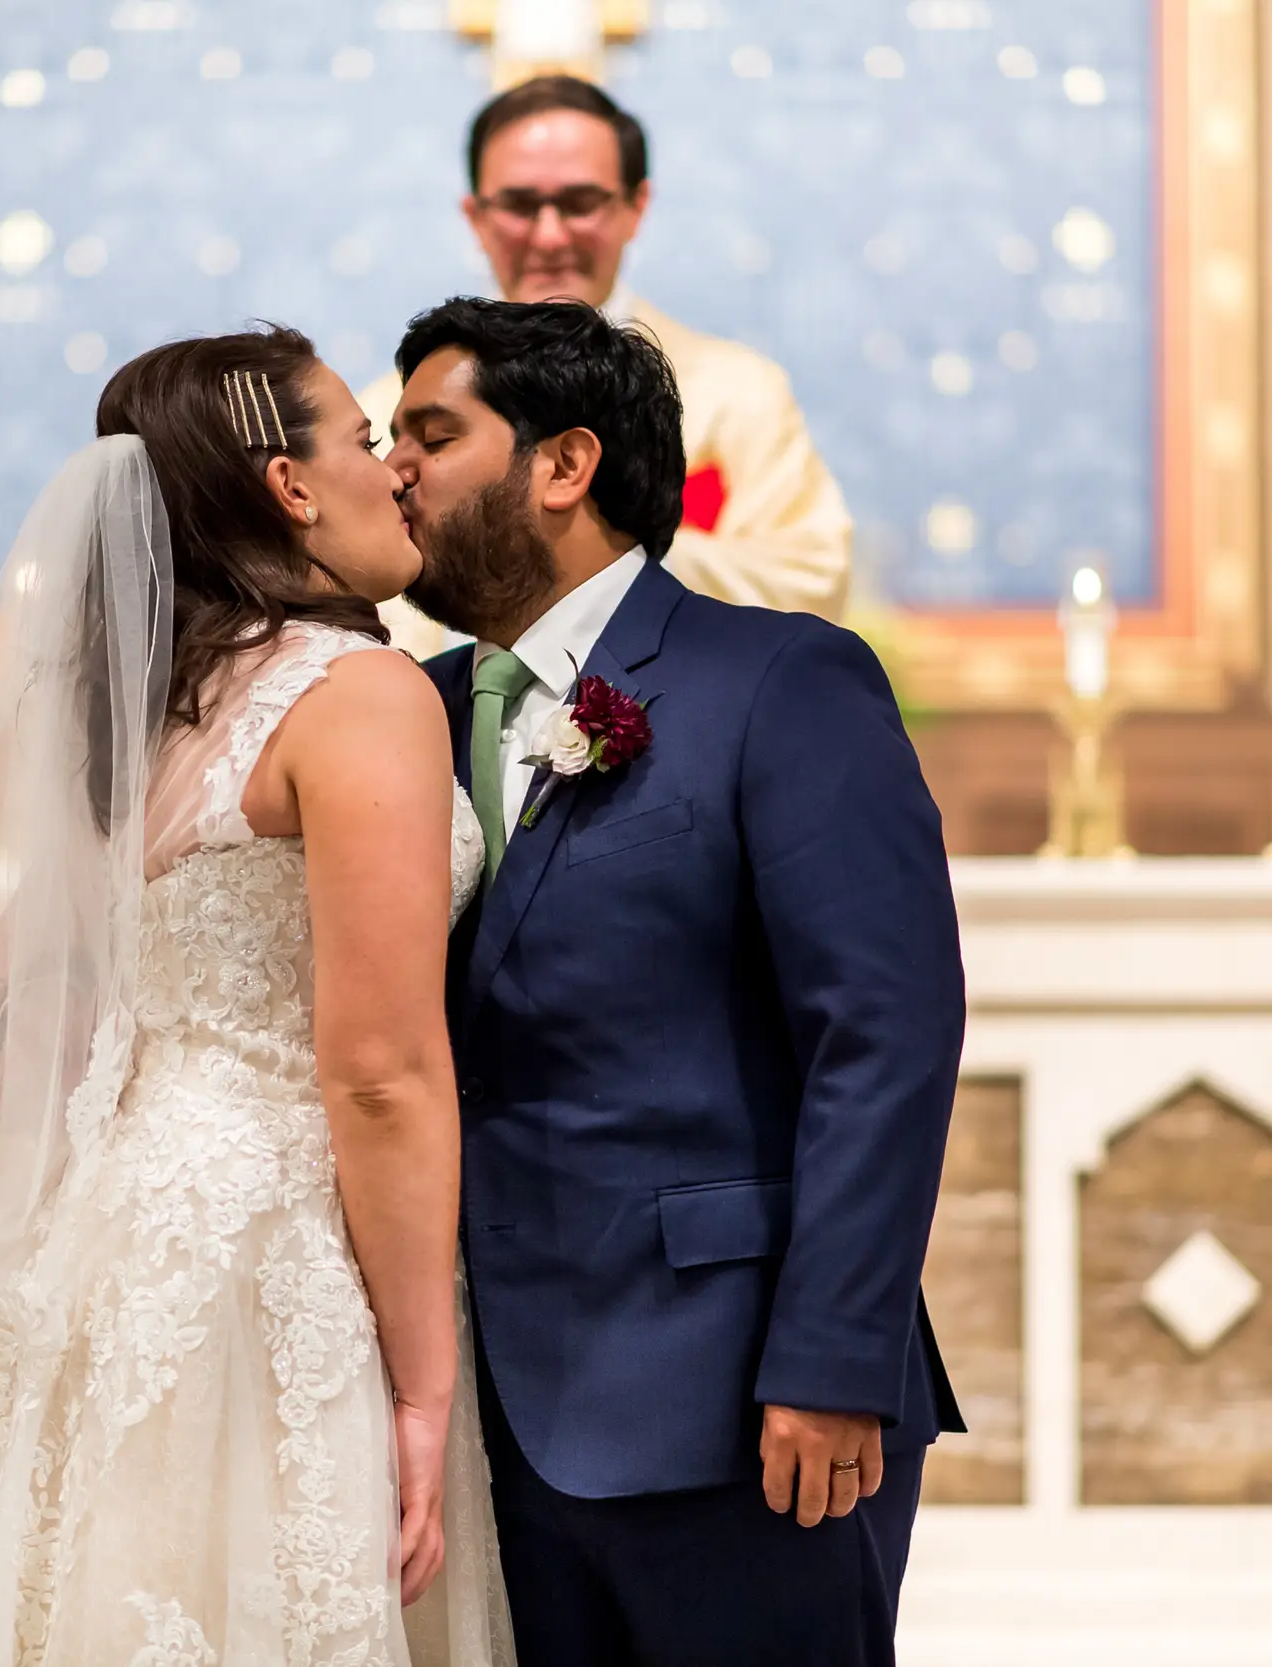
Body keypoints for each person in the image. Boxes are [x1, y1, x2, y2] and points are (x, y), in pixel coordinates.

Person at [0, 327, 515, 1665]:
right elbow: (378, 1071)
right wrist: (424, 1386)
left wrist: (134, 1111)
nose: (390, 472)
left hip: (112, 1233)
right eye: (359, 439)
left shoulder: (144, 707)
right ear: (289, 484)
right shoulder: (358, 696)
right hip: (274, 1251)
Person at [385, 296, 965, 1667]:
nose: (395, 465)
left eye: (431, 430)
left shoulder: (778, 679)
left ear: (564, 463)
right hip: (491, 1417)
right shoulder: (405, 705)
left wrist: (830, 1359)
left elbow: (883, 1038)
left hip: (738, 1397)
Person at [360, 75, 853, 655]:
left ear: (635, 207)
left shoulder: (738, 390)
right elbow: (361, 606)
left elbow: (812, 580)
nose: (549, 235)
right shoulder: (387, 414)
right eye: (519, 205)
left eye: (579, 203)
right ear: (476, 216)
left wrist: (583, 559)